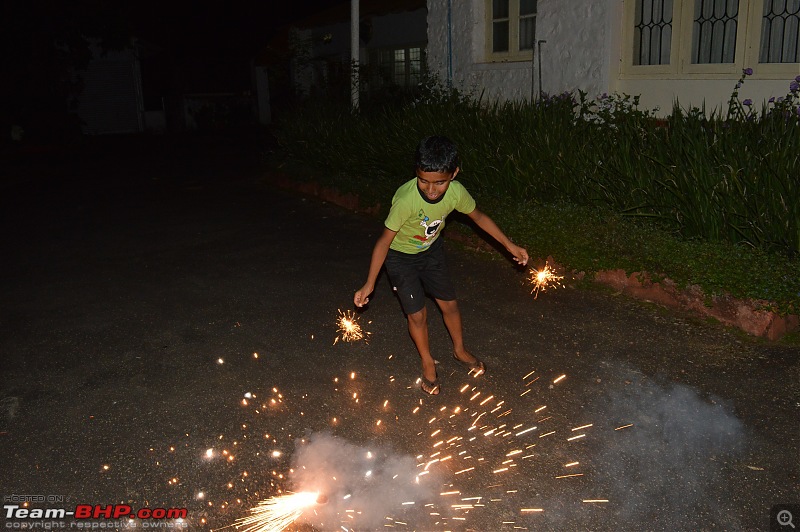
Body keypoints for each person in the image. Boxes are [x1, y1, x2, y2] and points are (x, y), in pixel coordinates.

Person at [353, 136, 529, 395]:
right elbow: (383, 242)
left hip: (431, 252)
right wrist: (370, 284)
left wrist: (509, 245)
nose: (431, 190)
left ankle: (459, 350)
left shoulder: (456, 193)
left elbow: (478, 217)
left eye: (440, 182)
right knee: (417, 314)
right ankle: (427, 362)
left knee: (450, 305)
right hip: (400, 258)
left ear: (454, 174)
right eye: (424, 180)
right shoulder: (406, 200)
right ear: (416, 172)